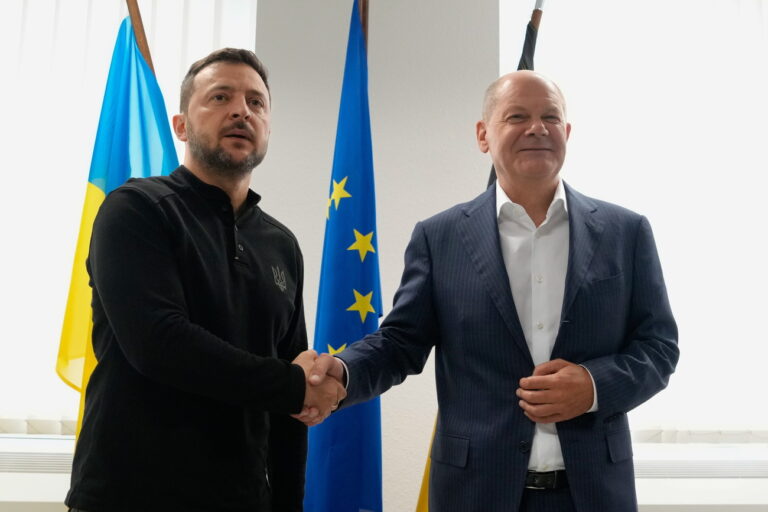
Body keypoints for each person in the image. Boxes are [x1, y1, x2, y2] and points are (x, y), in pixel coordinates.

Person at [301, 71, 679, 511]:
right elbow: (401, 343)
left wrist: (594, 386)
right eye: (517, 115)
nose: (537, 127)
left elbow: (659, 348)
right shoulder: (439, 237)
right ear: (483, 136)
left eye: (550, 117)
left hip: (594, 492)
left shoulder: (625, 232)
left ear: (567, 133)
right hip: (475, 493)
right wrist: (342, 372)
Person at [65, 48, 345, 512]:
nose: (241, 110)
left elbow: (292, 395)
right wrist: (294, 385)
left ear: (268, 128)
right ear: (181, 126)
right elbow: (159, 343)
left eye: (257, 103)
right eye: (220, 97)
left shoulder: (282, 245)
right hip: (128, 494)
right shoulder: (134, 210)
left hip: (244, 498)